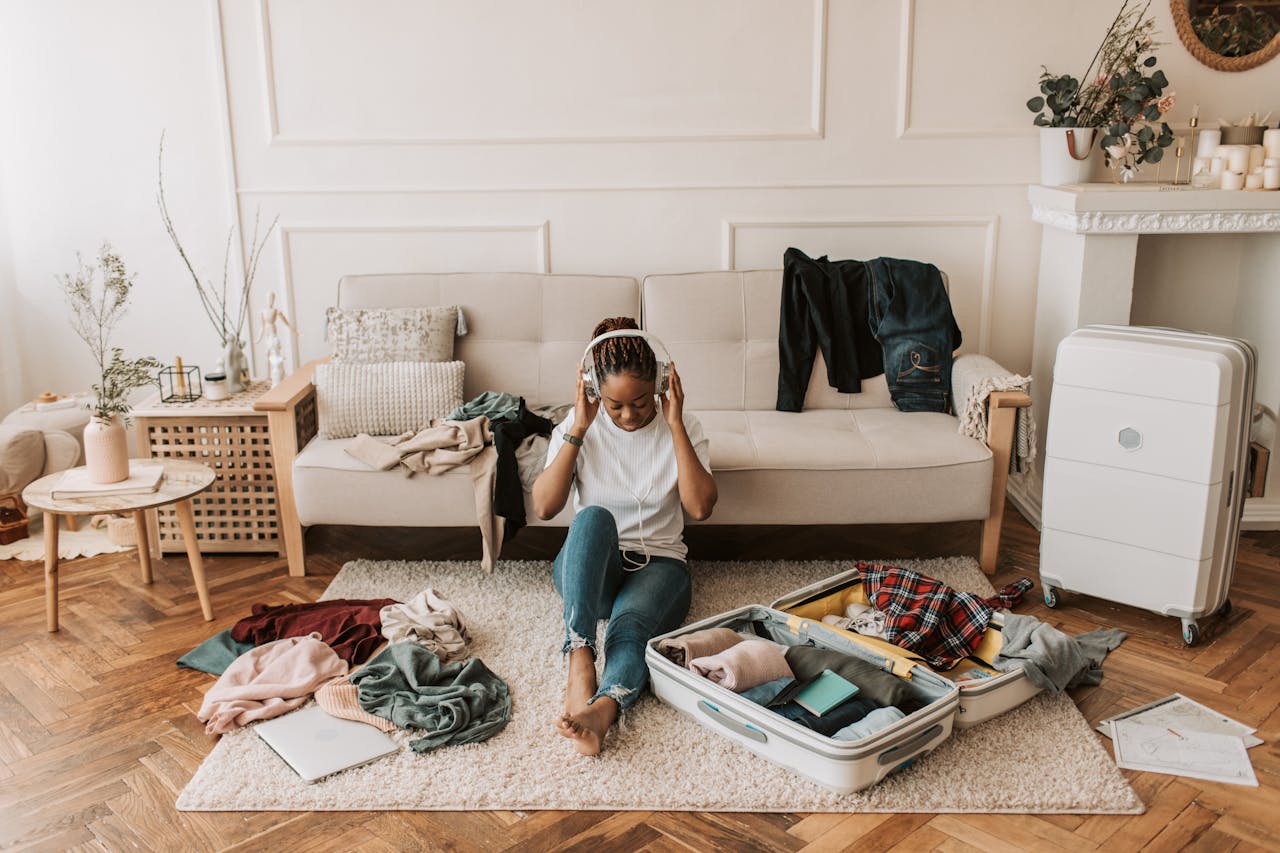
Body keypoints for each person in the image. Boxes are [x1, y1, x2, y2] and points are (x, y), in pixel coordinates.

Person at [532, 317, 718, 756]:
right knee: (593, 517)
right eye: (616, 405)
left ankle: (603, 710)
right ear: (594, 390)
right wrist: (578, 427)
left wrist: (672, 425)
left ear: (662, 383)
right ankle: (580, 658)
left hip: (659, 564)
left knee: (629, 630)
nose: (629, 415)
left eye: (640, 401)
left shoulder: (683, 426)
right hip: (591, 573)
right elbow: (543, 506)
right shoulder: (577, 426)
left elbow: (700, 507)